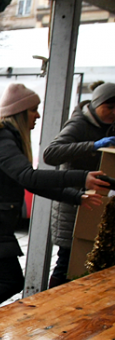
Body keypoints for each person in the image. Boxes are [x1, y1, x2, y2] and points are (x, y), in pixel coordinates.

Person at [0, 83, 108, 320]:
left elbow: (31, 184)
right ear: (19, 112)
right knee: (11, 281)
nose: (38, 115)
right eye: (34, 110)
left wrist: (76, 196)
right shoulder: (0, 139)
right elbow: (30, 176)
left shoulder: (6, 138)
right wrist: (83, 177)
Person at [43, 81, 115, 287]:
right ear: (97, 103)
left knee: (90, 261)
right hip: (72, 204)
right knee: (66, 261)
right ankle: (50, 306)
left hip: (96, 202)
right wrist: (93, 145)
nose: (113, 112)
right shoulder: (78, 124)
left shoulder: (109, 126)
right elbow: (51, 153)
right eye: (109, 107)